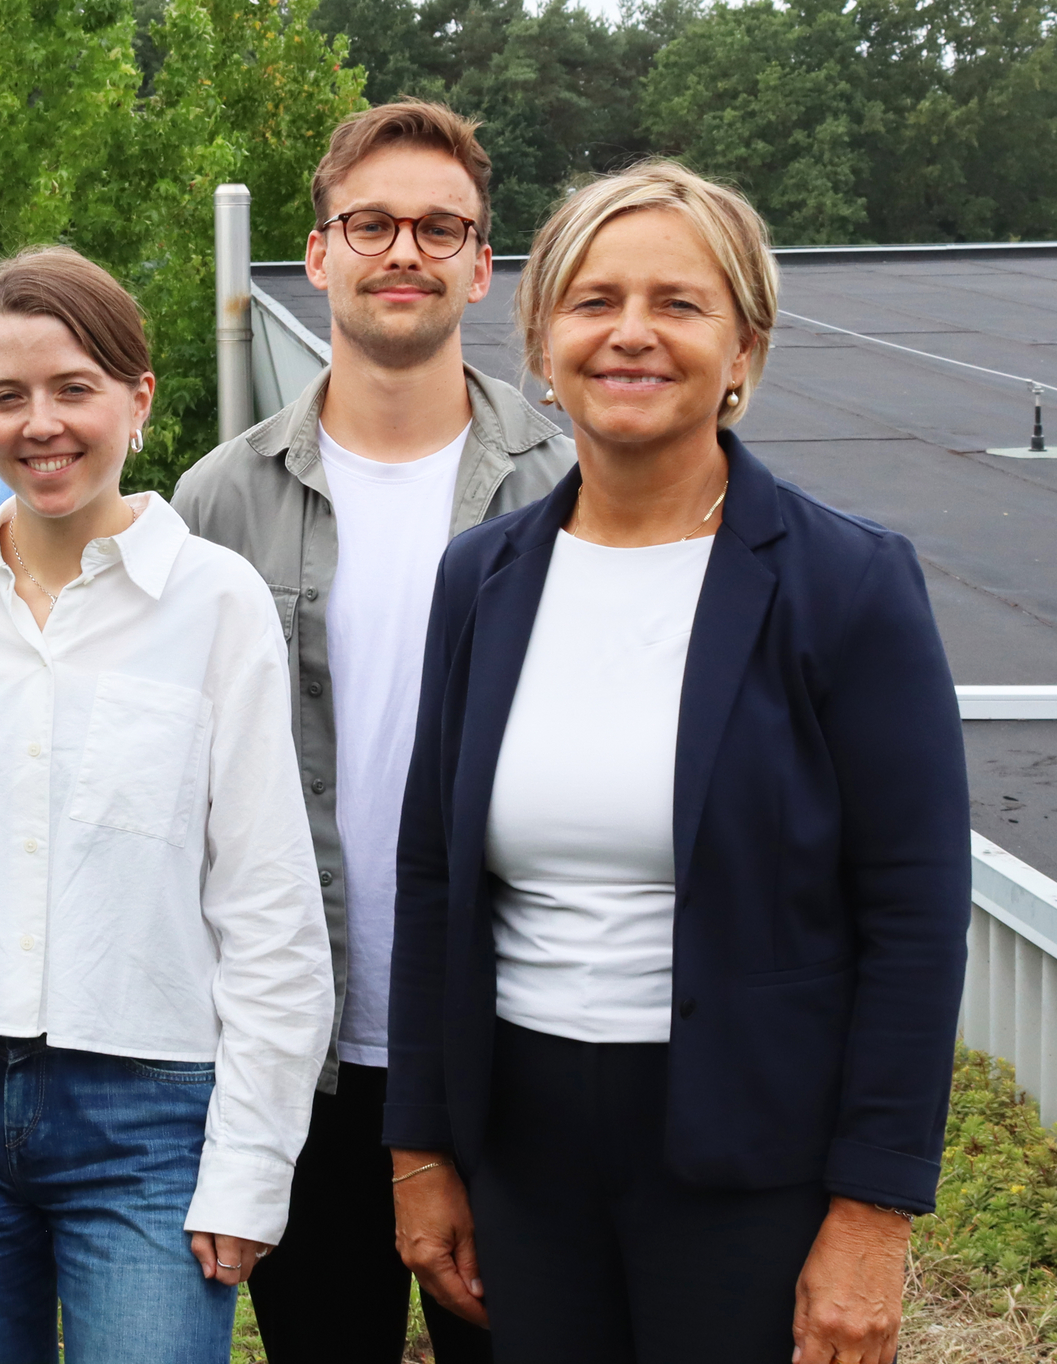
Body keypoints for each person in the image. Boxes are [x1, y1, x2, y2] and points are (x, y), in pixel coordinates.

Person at [387, 160, 970, 1364]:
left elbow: (915, 916)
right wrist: (424, 1149)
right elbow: (435, 874)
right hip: (527, 1156)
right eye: (594, 302)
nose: (631, 334)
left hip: (754, 1157)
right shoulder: (483, 580)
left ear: (744, 348)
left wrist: (872, 1212)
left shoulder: (847, 585)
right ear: (543, 343)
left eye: (678, 303)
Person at [0, 246, 334, 1364]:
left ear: (138, 398)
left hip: (147, 1117)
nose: (41, 423)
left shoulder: (216, 604)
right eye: (7, 396)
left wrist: (250, 1161)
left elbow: (268, 906)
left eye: (73, 387)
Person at [172, 98, 570, 1364]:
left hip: (517, 1038)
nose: (405, 249)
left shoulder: (565, 480)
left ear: (479, 264)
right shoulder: (217, 496)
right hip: (306, 1049)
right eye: (373, 222)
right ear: (321, 248)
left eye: (437, 227)